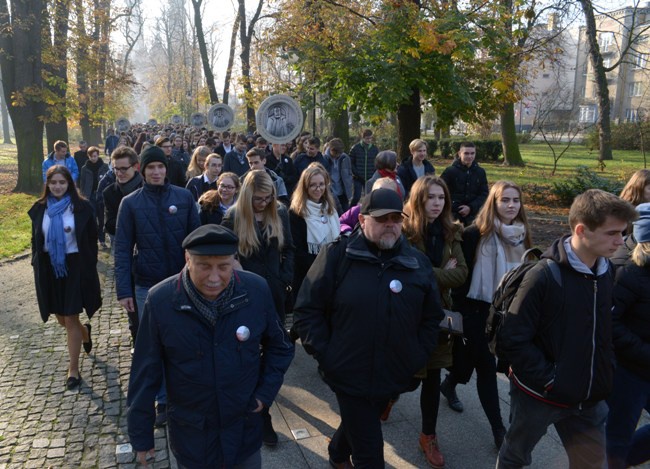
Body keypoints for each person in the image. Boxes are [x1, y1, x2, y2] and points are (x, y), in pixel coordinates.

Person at [293, 188, 444, 468]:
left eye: (396, 219)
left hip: (393, 372)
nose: (390, 224)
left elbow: (431, 317)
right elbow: (307, 310)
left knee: (362, 422)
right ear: (362, 221)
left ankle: (338, 453)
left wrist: (415, 355)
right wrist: (328, 355)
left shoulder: (417, 263)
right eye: (382, 218)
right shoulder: (337, 256)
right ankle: (344, 456)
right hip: (349, 372)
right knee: (370, 452)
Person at [127, 224, 294, 469]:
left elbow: (280, 347)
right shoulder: (161, 301)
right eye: (204, 266)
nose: (214, 278)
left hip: (243, 431)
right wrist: (141, 436)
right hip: (192, 437)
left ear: (234, 261)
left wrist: (264, 394)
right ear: (187, 259)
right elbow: (144, 372)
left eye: (224, 266)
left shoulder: (256, 291)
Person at [496, 189, 637, 469]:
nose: (621, 241)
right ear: (582, 230)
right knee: (515, 457)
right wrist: (552, 380)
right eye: (613, 233)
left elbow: (604, 330)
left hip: (588, 399)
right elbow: (512, 339)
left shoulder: (607, 271)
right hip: (541, 397)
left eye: (623, 232)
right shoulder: (543, 277)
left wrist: (604, 371)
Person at [114, 146, 200, 426]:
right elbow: (123, 249)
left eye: (160, 167)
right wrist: (124, 290)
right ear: (141, 169)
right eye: (151, 167)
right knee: (154, 345)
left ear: (166, 168)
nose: (156, 172)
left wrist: (197, 275)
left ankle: (187, 393)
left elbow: (196, 241)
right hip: (146, 285)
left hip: (183, 281)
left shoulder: (185, 197)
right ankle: (162, 400)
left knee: (185, 341)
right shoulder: (130, 203)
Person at [442, 180, 529, 449]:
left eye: (515, 200)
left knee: (466, 364)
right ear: (494, 202)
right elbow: (461, 277)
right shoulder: (474, 234)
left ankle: (450, 383)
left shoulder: (523, 234)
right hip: (476, 311)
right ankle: (499, 429)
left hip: (507, 312)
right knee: (486, 368)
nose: (511, 206)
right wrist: (462, 313)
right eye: (505, 200)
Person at [221, 169, 294, 447]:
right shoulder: (233, 217)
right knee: (249, 354)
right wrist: (238, 271)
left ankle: (262, 404)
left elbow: (290, 249)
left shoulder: (281, 213)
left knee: (274, 351)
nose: (263, 204)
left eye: (267, 198)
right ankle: (261, 416)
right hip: (244, 297)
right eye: (258, 199)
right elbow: (225, 255)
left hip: (274, 293)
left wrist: (285, 277)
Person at [401, 175, 467, 468]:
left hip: (440, 318)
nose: (437, 204)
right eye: (431, 198)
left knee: (431, 379)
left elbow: (461, 274)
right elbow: (406, 273)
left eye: (442, 198)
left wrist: (428, 271)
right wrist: (441, 271)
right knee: (406, 378)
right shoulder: (403, 232)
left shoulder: (452, 231)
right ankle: (389, 398)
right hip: (409, 316)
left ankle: (429, 435)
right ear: (418, 200)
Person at [28, 166, 100, 390]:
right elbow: (35, 240)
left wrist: (89, 266)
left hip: (75, 267)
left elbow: (91, 240)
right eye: (53, 183)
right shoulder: (40, 209)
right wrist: (35, 263)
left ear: (70, 183)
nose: (58, 186)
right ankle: (85, 332)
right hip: (50, 269)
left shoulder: (82, 207)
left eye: (62, 182)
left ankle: (73, 369)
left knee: (70, 317)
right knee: (59, 316)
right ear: (47, 185)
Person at [606, 202, 650, 469]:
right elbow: (610, 324)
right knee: (617, 438)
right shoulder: (628, 272)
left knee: (620, 448)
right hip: (629, 373)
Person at [289, 163, 340, 297]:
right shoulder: (296, 213)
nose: (318, 189)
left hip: (331, 269)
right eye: (313, 185)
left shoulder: (331, 208)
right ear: (305, 187)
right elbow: (297, 249)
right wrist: (319, 268)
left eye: (321, 184)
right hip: (307, 273)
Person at [440, 142, 488, 226]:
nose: (470, 156)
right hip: (453, 214)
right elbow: (441, 191)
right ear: (459, 153)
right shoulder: (450, 171)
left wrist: (470, 207)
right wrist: (455, 206)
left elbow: (484, 194)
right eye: (466, 153)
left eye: (472, 153)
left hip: (474, 215)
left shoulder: (480, 172)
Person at [79, 146, 109, 248]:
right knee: (92, 218)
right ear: (89, 156)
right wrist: (82, 195)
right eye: (91, 156)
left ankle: (102, 239)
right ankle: (93, 239)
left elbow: (108, 181)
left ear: (98, 155)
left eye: (95, 156)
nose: (93, 158)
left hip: (101, 195)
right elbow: (82, 182)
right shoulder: (85, 168)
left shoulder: (104, 166)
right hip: (90, 195)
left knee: (101, 218)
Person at [349, 129, 379, 206]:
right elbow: (350, 162)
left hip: (370, 178)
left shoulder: (374, 149)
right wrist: (355, 172)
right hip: (358, 177)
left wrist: (374, 173)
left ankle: (367, 212)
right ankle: (349, 211)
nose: (369, 140)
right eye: (367, 138)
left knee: (369, 197)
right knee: (356, 197)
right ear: (363, 138)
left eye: (370, 138)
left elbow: (377, 162)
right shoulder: (355, 148)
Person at [323, 138, 353, 214]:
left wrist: (349, 182)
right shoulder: (324, 159)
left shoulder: (345, 158)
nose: (338, 155)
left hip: (343, 191)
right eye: (336, 153)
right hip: (331, 191)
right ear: (331, 150)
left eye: (340, 153)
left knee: (346, 213)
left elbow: (349, 172)